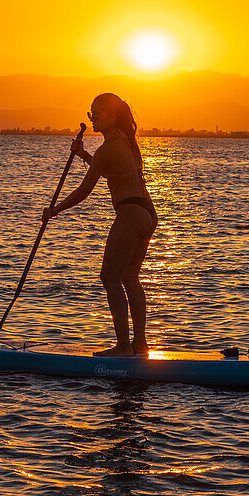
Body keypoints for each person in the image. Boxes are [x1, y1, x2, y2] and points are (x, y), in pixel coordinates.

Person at [42, 93, 158, 356]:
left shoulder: (109, 148)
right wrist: (83, 154)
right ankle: (140, 345)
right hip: (148, 214)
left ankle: (123, 347)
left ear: (113, 115)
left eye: (98, 113)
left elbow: (85, 189)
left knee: (109, 277)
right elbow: (108, 171)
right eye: (90, 113)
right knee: (130, 278)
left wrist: (55, 210)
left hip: (130, 214)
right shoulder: (127, 141)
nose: (92, 118)